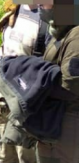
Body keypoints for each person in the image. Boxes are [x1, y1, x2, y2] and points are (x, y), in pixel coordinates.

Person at [0, 0, 50, 163]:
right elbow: (3, 50)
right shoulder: (15, 8)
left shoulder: (49, 18)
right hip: (3, 100)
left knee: (25, 158)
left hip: (28, 108)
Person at [37, 19, 79, 162]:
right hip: (56, 118)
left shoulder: (76, 37)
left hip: (67, 122)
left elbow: (70, 86)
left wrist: (34, 86)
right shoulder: (63, 29)